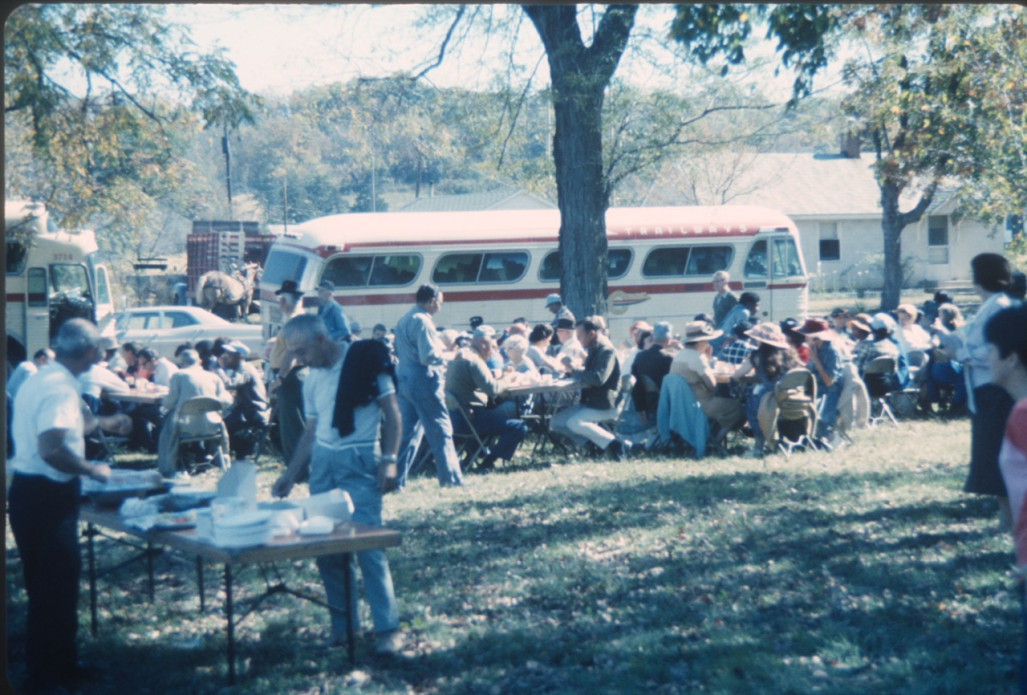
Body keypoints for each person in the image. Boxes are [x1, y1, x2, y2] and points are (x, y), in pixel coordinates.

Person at [9, 319, 130, 695]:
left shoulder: (43, 378)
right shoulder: (61, 387)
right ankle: (44, 677)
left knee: (50, 587)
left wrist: (107, 424)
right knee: (54, 590)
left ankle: (62, 664)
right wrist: (92, 469)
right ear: (92, 352)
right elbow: (52, 448)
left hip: (29, 494)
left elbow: (73, 423)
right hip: (47, 495)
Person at [271, 314, 403, 655]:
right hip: (324, 468)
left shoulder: (365, 360)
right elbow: (311, 432)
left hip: (359, 461)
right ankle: (344, 628)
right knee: (328, 550)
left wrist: (389, 461)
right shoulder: (310, 378)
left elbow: (392, 412)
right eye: (293, 353)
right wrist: (291, 473)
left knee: (368, 546)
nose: (298, 359)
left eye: (301, 351)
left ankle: (387, 629)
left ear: (320, 339)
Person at [959, 252, 1016, 526]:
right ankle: (1006, 518)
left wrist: (963, 354)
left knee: (999, 457)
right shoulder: (991, 304)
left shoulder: (1001, 306)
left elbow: (1002, 349)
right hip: (983, 390)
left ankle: (1011, 519)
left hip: (997, 391)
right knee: (992, 458)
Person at [394, 284, 464, 488]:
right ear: (432, 301)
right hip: (423, 380)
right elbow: (428, 356)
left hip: (404, 379)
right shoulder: (423, 321)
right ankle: (451, 479)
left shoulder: (404, 320)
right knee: (440, 429)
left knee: (406, 434)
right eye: (440, 302)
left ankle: (394, 482)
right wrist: (453, 355)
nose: (440, 306)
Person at [445, 326, 529, 470]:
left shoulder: (464, 355)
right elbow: (493, 390)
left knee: (493, 416)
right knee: (519, 427)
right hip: (470, 419)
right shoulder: (475, 360)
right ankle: (488, 463)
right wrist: (509, 377)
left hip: (455, 418)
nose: (494, 349)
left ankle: (471, 458)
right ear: (483, 343)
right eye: (493, 345)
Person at [551, 316, 630, 460]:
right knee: (556, 422)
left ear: (592, 334)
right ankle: (596, 446)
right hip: (592, 402)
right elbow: (590, 374)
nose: (578, 340)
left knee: (574, 423)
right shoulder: (593, 350)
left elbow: (598, 379)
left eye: (580, 336)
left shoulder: (607, 351)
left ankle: (615, 444)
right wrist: (572, 370)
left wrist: (573, 369)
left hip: (606, 405)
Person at [156, 349, 234, 476]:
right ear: (200, 362)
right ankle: (214, 458)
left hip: (185, 426)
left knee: (166, 420)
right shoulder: (213, 376)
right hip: (211, 424)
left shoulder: (178, 376)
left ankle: (169, 466)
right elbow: (226, 400)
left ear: (181, 363)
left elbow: (169, 403)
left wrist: (162, 398)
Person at [732, 323, 802, 456]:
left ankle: (759, 445)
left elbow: (738, 374)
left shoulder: (757, 356)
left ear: (761, 340)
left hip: (767, 398)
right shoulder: (790, 354)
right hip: (788, 397)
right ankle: (777, 440)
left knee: (750, 406)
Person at [669, 321, 744, 439]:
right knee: (739, 407)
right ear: (701, 341)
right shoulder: (698, 358)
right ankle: (716, 439)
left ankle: (710, 435)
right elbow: (712, 386)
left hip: (682, 404)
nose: (708, 343)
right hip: (701, 404)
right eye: (706, 340)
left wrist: (706, 358)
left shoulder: (679, 355)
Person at [268, 279, 309, 465]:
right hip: (298, 375)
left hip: (290, 377)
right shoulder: (302, 319)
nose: (279, 303)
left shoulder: (294, 321)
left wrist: (279, 378)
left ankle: (297, 467)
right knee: (298, 421)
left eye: (280, 299)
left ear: (285, 301)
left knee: (292, 425)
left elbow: (292, 353)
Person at [216, 340, 271, 458]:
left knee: (221, 426)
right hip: (248, 410)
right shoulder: (243, 368)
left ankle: (232, 454)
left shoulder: (244, 369)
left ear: (239, 356)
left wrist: (220, 370)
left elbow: (231, 384)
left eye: (229, 355)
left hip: (253, 412)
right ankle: (242, 451)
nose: (225, 357)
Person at [797, 318, 844, 446]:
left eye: (807, 335)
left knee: (819, 420)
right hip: (813, 388)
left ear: (817, 337)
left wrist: (815, 359)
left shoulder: (831, 352)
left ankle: (835, 441)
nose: (805, 337)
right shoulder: (813, 347)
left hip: (827, 392)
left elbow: (829, 381)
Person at [630, 321, 676, 427]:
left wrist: (640, 409)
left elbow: (635, 386)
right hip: (667, 407)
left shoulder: (639, 357)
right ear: (669, 339)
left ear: (653, 338)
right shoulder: (670, 359)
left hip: (647, 405)